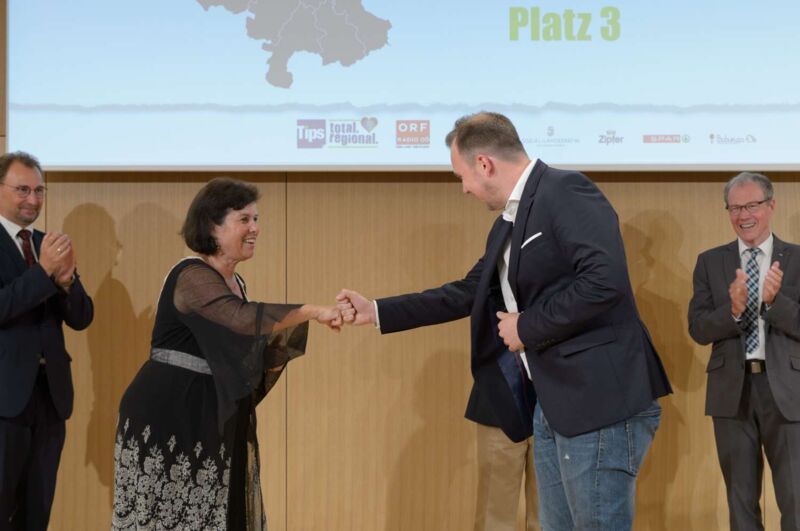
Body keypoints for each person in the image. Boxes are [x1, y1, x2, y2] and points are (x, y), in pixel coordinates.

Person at [337, 111, 671, 530]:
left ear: (484, 164)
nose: (464, 189)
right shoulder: (506, 224)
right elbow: (466, 292)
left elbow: (604, 283)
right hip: (554, 404)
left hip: (598, 402)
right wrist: (376, 310)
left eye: (462, 176)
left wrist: (524, 327)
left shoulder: (566, 191)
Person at [111, 178, 342, 530]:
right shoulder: (191, 275)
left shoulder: (236, 284)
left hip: (209, 411)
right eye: (244, 219)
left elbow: (246, 347)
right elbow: (241, 319)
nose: (255, 228)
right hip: (168, 411)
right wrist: (312, 311)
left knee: (215, 513)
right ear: (212, 227)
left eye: (256, 219)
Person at [688, 172, 800, 530]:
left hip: (788, 393)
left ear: (771, 205)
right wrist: (734, 311)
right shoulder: (710, 262)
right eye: (735, 208)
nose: (743, 215)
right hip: (731, 393)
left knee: (796, 499)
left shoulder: (797, 259)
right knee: (740, 501)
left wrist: (774, 303)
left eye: (752, 205)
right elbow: (698, 329)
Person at [0, 151, 94, 531]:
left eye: (40, 191)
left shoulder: (47, 244)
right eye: (23, 189)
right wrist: (44, 273)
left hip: (50, 397)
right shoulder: (44, 257)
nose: (33, 199)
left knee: (37, 510)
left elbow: (81, 318)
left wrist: (67, 282)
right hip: (5, 399)